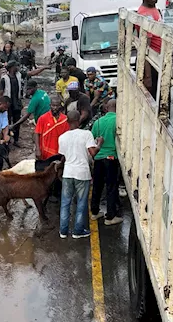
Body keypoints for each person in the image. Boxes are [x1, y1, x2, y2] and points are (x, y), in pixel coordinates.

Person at [58, 110, 103, 239]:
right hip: (82, 173)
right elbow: (93, 153)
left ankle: (63, 231)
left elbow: (64, 157)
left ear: (67, 122)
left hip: (68, 173)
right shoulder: (86, 134)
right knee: (81, 203)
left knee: (65, 202)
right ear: (79, 121)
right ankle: (78, 231)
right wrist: (99, 143)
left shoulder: (62, 137)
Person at [90, 100, 123, 226]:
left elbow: (92, 138)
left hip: (98, 158)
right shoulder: (118, 121)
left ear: (106, 108)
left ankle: (94, 212)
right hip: (111, 158)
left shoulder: (98, 122)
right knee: (111, 187)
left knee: (97, 186)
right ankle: (110, 216)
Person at [137, 0, 162, 98]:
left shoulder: (154, 9)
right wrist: (148, 76)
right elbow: (145, 46)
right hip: (151, 63)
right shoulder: (145, 15)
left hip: (158, 59)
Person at [35, 95, 68, 161]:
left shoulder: (65, 119)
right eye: (53, 105)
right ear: (50, 105)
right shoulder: (42, 118)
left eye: (57, 106)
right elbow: (37, 134)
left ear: (60, 106)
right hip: (45, 151)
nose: (55, 108)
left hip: (60, 152)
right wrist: (37, 149)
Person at [0, 60, 23, 146]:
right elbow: (1, 92)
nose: (17, 68)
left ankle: (16, 139)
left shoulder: (18, 76)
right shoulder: (4, 78)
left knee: (17, 121)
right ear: (12, 68)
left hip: (17, 102)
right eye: (16, 66)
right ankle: (7, 139)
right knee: (7, 122)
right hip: (8, 104)